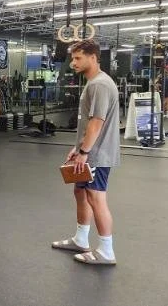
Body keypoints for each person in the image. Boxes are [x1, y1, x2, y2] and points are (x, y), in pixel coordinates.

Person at [51, 39, 121, 265]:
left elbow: (96, 123)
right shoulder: (93, 83)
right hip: (89, 150)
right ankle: (81, 239)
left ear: (93, 57)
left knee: (96, 197)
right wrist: (78, 147)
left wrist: (84, 151)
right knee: (80, 193)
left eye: (78, 58)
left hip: (97, 154)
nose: (73, 63)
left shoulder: (99, 84)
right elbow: (89, 124)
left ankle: (106, 251)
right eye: (73, 58)